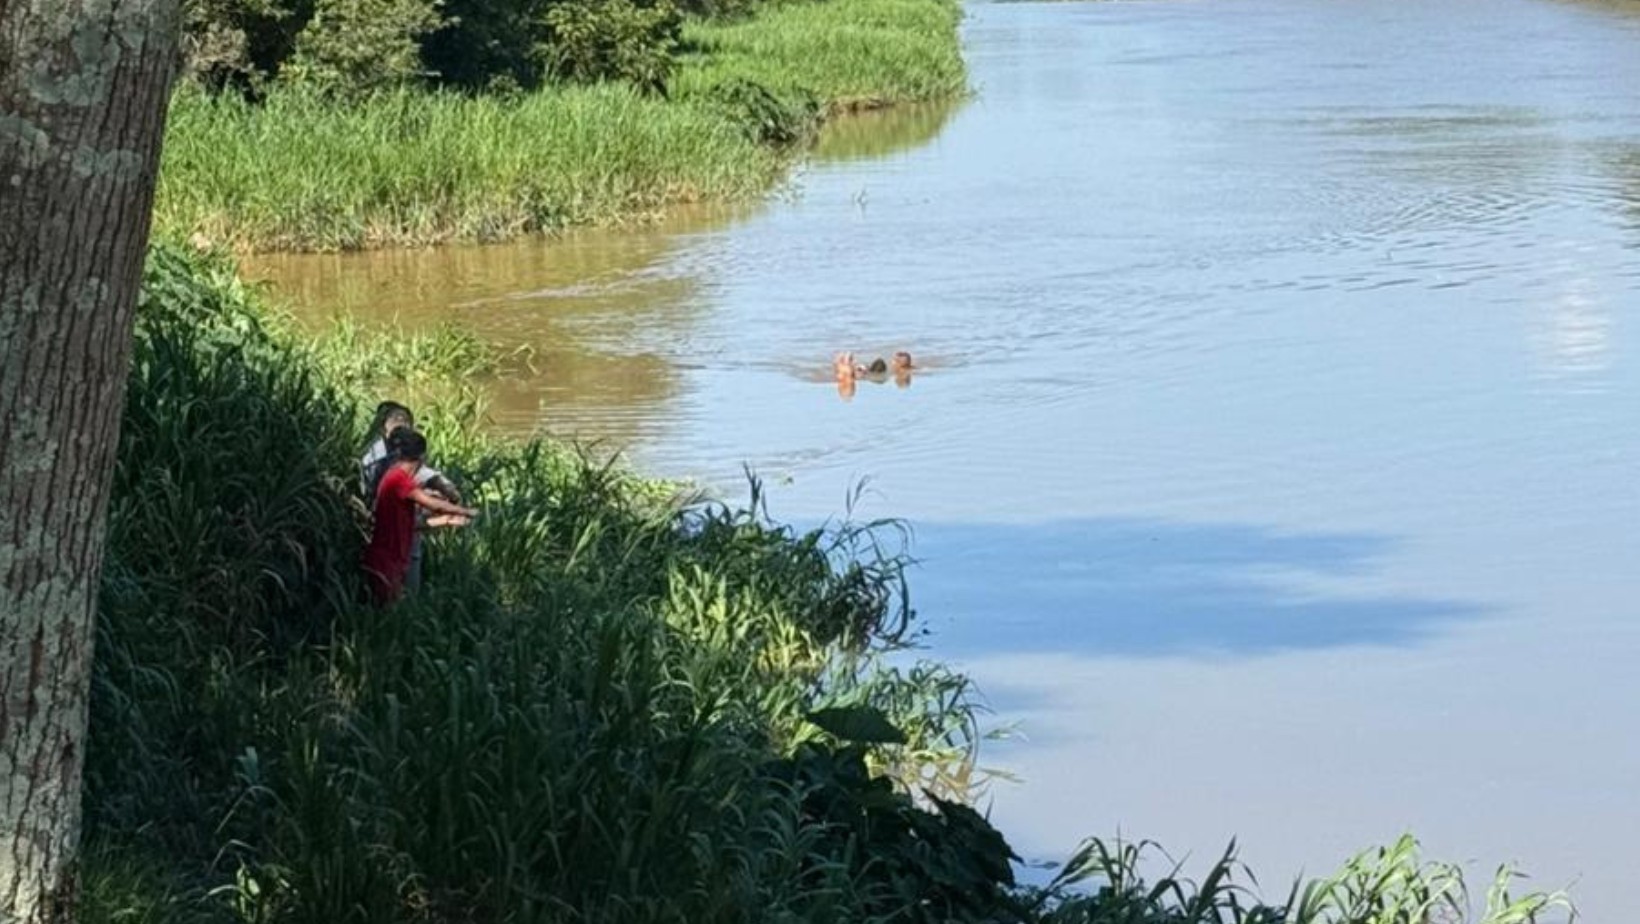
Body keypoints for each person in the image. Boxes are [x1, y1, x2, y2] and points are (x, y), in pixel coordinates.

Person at [363, 429, 477, 606]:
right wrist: (465, 510)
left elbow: (410, 525)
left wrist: (445, 521)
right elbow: (433, 504)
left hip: (390, 560)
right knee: (388, 617)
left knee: (391, 616)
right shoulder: (399, 480)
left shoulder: (395, 477)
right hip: (386, 561)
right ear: (422, 457)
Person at [360, 401, 461, 590]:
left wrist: (445, 490)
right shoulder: (376, 458)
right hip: (384, 532)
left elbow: (428, 475)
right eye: (396, 419)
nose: (402, 423)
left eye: (406, 420)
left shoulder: (396, 452)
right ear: (383, 427)